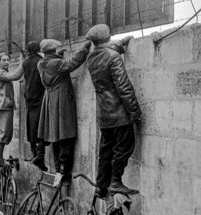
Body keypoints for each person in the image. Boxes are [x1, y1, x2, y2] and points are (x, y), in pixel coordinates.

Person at [85, 24, 141, 196]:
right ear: (107, 37)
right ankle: (116, 181)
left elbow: (106, 50)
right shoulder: (113, 57)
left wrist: (122, 42)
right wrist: (135, 112)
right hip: (118, 111)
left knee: (106, 150)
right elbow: (124, 87)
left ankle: (101, 186)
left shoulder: (91, 58)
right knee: (124, 147)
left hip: (104, 112)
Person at [36, 39, 91, 187]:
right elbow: (72, 64)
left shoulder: (41, 64)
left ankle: (58, 170)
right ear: (53, 51)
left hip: (49, 100)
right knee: (65, 135)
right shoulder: (56, 64)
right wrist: (84, 48)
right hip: (62, 100)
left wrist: (57, 55)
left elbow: (53, 63)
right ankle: (64, 170)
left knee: (54, 136)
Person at [0, 53, 25, 165]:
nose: (6, 62)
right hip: (1, 106)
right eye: (4, 60)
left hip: (4, 105)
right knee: (3, 132)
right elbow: (15, 76)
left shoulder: (3, 72)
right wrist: (24, 63)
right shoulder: (0, 72)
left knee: (6, 132)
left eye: (8, 60)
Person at [21, 41, 45, 161]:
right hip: (40, 95)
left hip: (28, 96)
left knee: (30, 123)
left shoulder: (25, 62)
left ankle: (33, 150)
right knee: (40, 123)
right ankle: (40, 153)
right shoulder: (41, 61)